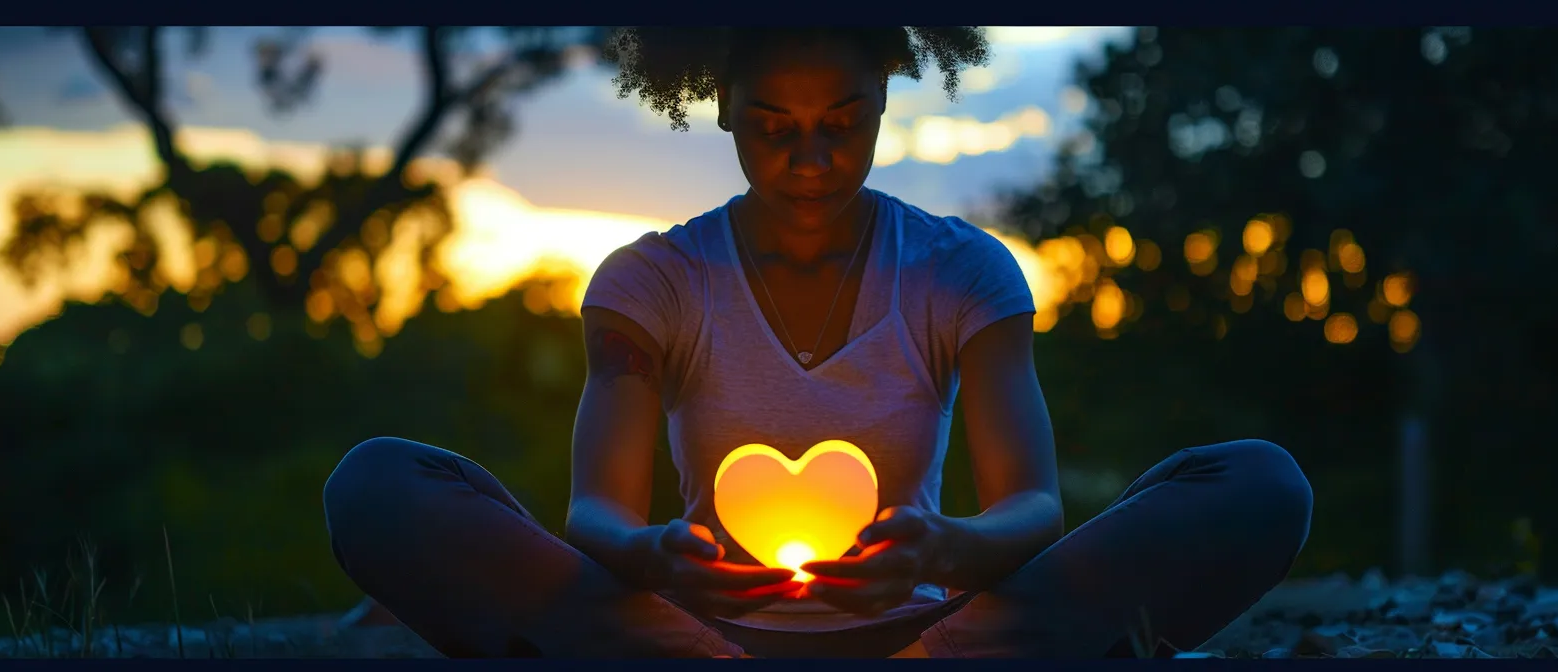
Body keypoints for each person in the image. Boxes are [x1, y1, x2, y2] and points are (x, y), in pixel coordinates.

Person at [321, 27, 1314, 659]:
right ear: (720, 112)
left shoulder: (960, 271)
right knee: (375, 485)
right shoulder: (649, 281)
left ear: (885, 102)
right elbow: (595, 517)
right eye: (774, 127)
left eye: (843, 122)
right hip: (685, 630)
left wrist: (951, 549)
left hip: (933, 631)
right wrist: (658, 558)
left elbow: (1034, 506)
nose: (810, 157)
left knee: (1260, 483)